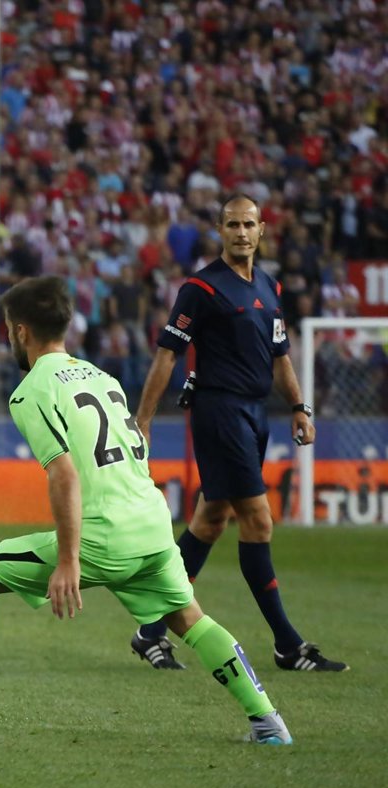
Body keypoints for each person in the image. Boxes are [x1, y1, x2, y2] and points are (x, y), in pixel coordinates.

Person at [0, 275, 291, 745]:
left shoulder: (32, 390)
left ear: (20, 331)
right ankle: (268, 722)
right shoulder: (103, 378)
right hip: (153, 526)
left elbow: (63, 474)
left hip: (104, 535)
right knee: (189, 618)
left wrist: (68, 560)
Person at [128, 195, 347, 673]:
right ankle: (287, 644)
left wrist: (298, 407)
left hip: (255, 414)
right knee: (258, 521)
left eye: (249, 224)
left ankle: (150, 631)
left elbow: (280, 355)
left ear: (262, 229)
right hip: (219, 411)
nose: (241, 232)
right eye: (233, 224)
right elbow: (167, 354)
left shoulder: (269, 286)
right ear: (220, 230)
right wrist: (143, 420)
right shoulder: (201, 288)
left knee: (209, 522)